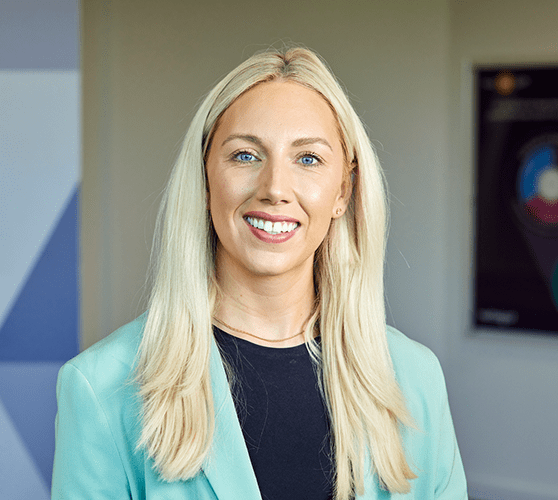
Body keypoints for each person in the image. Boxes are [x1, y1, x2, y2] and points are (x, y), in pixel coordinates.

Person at [51, 47, 467, 500]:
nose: (274, 189)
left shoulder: (415, 378)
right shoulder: (101, 388)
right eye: (246, 156)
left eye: (307, 159)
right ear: (206, 179)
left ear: (342, 192)